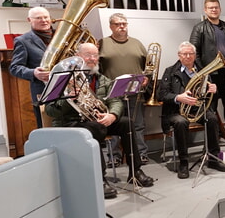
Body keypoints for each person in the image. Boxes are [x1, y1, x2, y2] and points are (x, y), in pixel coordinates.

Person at [45, 43, 154, 199]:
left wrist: (112, 116)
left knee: (126, 122)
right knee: (96, 128)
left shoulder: (102, 79)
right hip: (71, 124)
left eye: (95, 55)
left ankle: (135, 171)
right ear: (78, 57)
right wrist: (69, 99)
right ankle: (100, 178)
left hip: (96, 121)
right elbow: (50, 110)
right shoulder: (63, 79)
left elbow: (115, 101)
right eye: (88, 55)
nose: (92, 59)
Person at [159, 41, 225, 179]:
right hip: (176, 111)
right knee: (181, 123)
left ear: (195, 55)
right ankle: (184, 162)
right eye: (184, 54)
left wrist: (214, 90)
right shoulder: (170, 71)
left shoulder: (202, 71)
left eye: (190, 53)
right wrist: (179, 97)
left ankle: (213, 158)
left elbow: (208, 94)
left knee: (212, 119)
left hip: (197, 109)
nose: (187, 56)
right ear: (179, 56)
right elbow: (162, 94)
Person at [98, 13, 150, 167]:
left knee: (138, 124)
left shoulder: (137, 43)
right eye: (117, 24)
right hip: (111, 93)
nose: (122, 26)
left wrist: (146, 78)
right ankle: (114, 156)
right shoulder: (102, 43)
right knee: (113, 125)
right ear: (110, 26)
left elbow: (147, 66)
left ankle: (141, 154)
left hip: (135, 92)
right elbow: (94, 65)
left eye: (124, 23)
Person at [189, 0, 225, 142]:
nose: (214, 10)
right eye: (210, 8)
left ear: (220, 9)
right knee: (210, 107)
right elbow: (194, 52)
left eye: (216, 7)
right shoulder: (199, 28)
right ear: (205, 10)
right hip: (210, 74)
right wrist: (203, 71)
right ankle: (214, 137)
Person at [9, 7, 53, 128]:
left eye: (46, 17)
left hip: (69, 90)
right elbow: (14, 68)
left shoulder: (63, 35)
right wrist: (34, 73)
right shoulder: (23, 40)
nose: (44, 20)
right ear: (29, 20)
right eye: (38, 18)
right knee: (47, 129)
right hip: (43, 92)